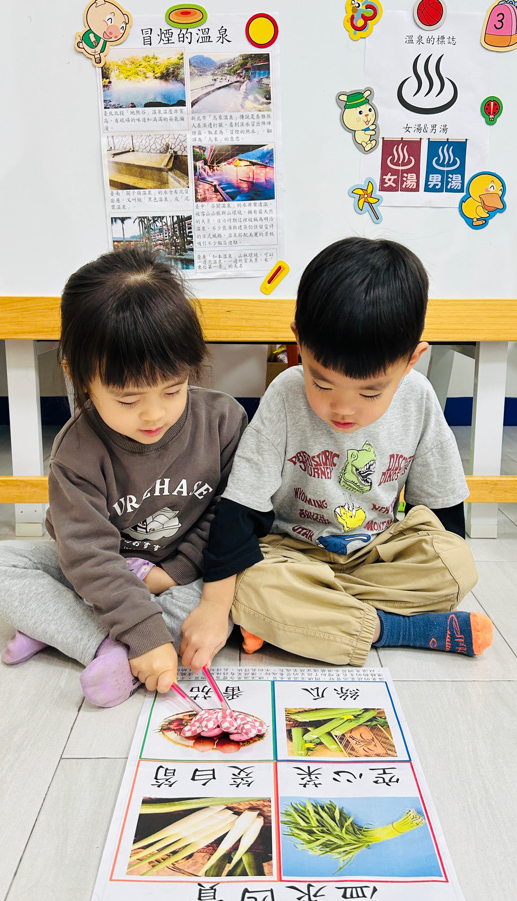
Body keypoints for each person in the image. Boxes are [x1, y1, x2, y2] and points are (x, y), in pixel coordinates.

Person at [179, 237, 491, 672]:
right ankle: (395, 628)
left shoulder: (418, 397)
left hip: (376, 554)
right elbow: (240, 507)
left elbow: (442, 512)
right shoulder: (285, 394)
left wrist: (438, 557)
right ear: (298, 342)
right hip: (293, 554)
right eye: (321, 383)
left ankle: (308, 620)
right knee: (249, 584)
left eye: (370, 392)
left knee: (456, 565)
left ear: (412, 360)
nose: (342, 408)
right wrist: (214, 607)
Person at [0, 247, 247, 705]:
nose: (154, 414)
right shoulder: (75, 452)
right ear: (78, 377)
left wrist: (170, 574)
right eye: (127, 400)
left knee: (232, 592)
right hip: (100, 571)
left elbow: (227, 518)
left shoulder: (223, 421)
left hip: (183, 573)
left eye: (172, 390)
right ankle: (108, 647)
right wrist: (143, 632)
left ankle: (66, 629)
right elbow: (87, 556)